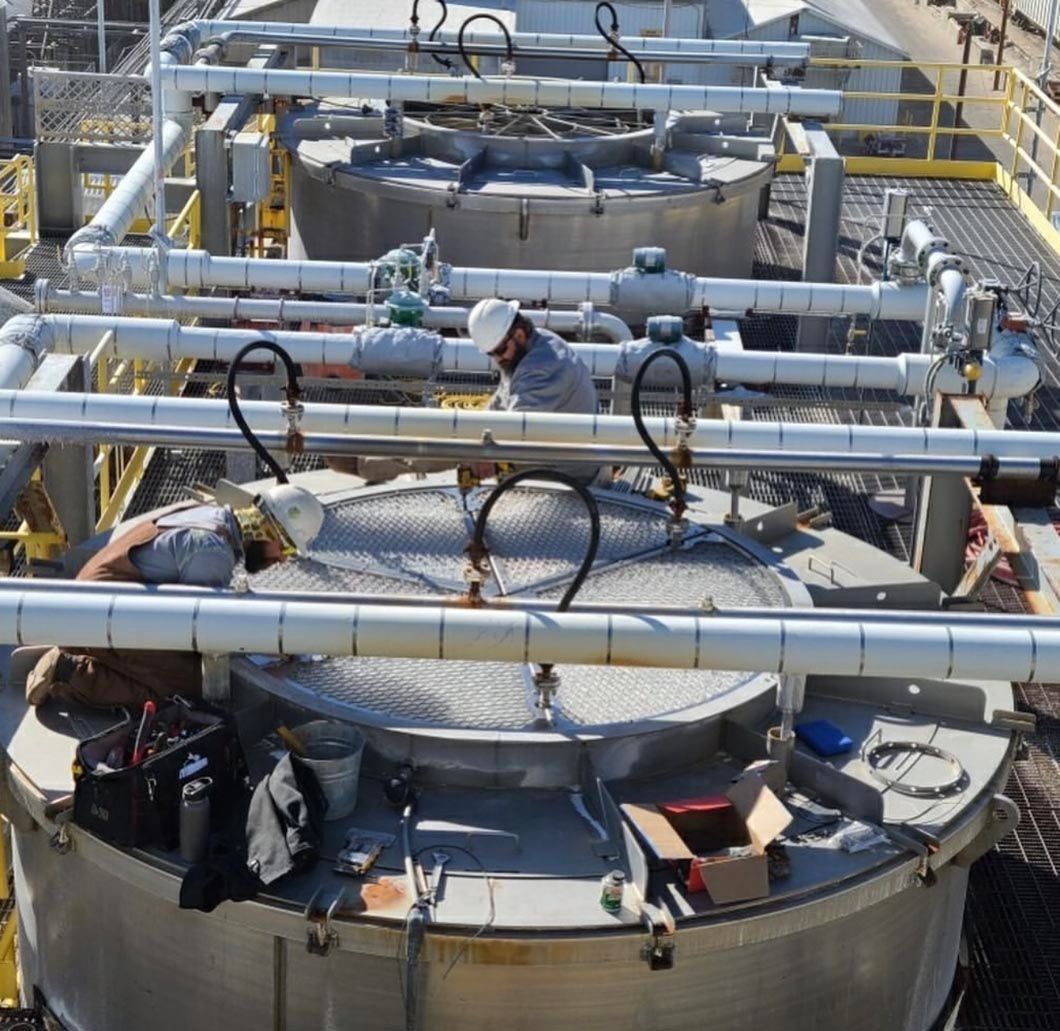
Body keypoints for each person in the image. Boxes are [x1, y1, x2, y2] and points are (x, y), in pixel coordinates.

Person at [22, 483, 326, 709]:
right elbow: (202, 634)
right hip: (103, 619)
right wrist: (271, 647)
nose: (284, 559)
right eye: (285, 548)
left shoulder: (212, 516)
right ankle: (71, 671)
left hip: (100, 606)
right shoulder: (212, 551)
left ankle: (83, 654)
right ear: (268, 530)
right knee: (190, 689)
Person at [330, 298, 599, 482]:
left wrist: (483, 458)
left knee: (450, 449)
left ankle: (367, 464)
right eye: (491, 355)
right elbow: (500, 405)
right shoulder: (538, 344)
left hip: (564, 476)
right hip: (547, 457)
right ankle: (372, 456)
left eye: (500, 352)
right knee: (450, 433)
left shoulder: (543, 367)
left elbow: (516, 436)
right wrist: (469, 427)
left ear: (518, 335)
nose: (498, 360)